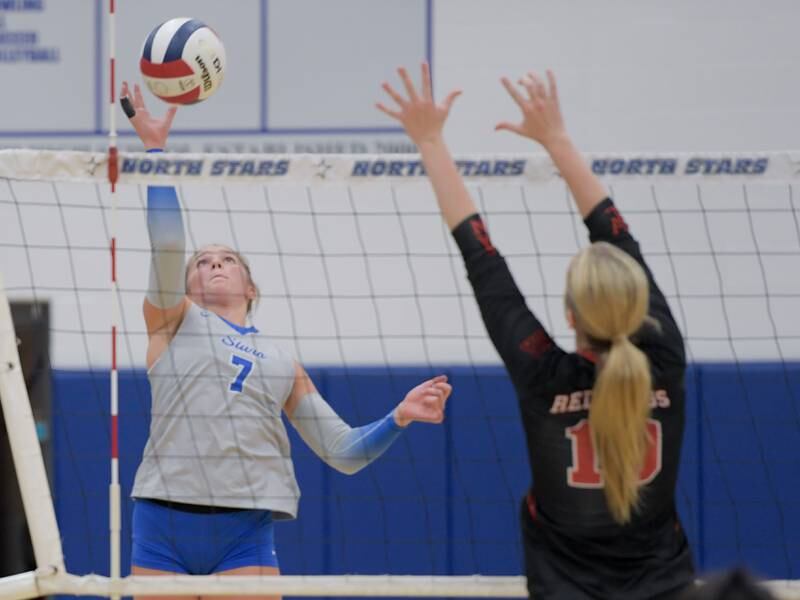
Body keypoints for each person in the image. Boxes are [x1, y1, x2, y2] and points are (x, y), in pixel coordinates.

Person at [120, 81, 452, 599]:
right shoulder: (170, 319)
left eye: (226, 259)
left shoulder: (282, 360)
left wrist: (400, 416)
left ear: (250, 287)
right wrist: (156, 152)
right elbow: (166, 241)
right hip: (164, 518)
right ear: (185, 286)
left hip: (245, 529)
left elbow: (342, 452)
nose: (213, 265)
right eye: (202, 262)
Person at [377, 64, 695, 598]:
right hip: (665, 586)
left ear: (571, 316)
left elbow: (483, 260)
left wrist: (430, 140)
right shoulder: (665, 356)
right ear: (639, 305)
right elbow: (616, 235)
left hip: (563, 586)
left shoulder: (543, 374)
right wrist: (557, 140)